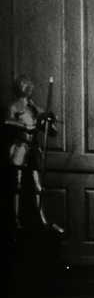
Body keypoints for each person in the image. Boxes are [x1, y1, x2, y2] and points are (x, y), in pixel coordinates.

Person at [4, 74, 63, 233]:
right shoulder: (14, 106)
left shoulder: (35, 109)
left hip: (33, 149)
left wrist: (49, 122)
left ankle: (43, 220)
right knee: (17, 186)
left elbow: (52, 132)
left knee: (37, 186)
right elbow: (7, 121)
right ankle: (15, 221)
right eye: (24, 83)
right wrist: (25, 127)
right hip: (20, 148)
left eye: (29, 83)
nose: (28, 85)